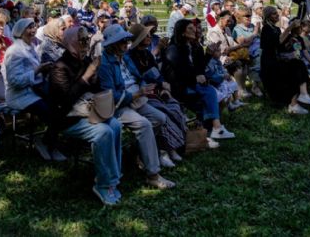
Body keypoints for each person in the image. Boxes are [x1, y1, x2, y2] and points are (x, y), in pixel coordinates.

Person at [49, 27, 123, 205]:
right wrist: (87, 75)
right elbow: (65, 102)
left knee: (115, 126)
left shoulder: (85, 60)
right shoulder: (59, 67)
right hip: (68, 118)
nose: (84, 44)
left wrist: (94, 78)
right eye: (80, 40)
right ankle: (104, 185)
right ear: (70, 42)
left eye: (86, 40)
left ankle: (113, 176)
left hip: (89, 111)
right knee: (104, 132)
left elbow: (95, 91)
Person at [98, 25, 176, 189]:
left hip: (137, 97)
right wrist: (134, 95)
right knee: (144, 124)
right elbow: (110, 96)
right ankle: (153, 174)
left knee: (159, 118)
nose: (126, 44)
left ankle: (139, 152)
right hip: (120, 105)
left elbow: (137, 76)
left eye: (127, 40)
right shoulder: (105, 64)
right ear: (112, 44)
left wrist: (144, 88)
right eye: (122, 41)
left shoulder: (124, 57)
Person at [163, 19, 235, 144]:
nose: (195, 30)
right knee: (209, 92)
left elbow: (199, 69)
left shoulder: (192, 47)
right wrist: (195, 77)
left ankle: (208, 129)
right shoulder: (173, 49)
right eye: (190, 28)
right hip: (178, 85)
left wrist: (208, 54)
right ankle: (215, 128)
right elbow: (179, 71)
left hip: (191, 83)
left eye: (194, 28)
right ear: (182, 32)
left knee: (209, 90)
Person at [2, 18, 64, 161]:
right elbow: (14, 81)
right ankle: (49, 145)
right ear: (20, 31)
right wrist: (37, 70)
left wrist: (45, 70)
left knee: (61, 106)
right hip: (19, 96)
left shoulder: (30, 48)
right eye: (28, 28)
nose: (33, 31)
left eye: (33, 27)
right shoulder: (15, 51)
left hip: (34, 91)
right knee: (49, 112)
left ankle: (47, 141)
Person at [126, 23, 186, 166]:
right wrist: (158, 85)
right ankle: (162, 150)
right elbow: (138, 76)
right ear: (138, 38)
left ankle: (172, 146)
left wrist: (163, 85)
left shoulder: (146, 53)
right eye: (146, 35)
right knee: (162, 112)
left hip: (156, 90)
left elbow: (156, 73)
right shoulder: (129, 56)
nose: (149, 36)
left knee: (175, 107)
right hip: (142, 93)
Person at [259, 6, 310, 114]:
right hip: (269, 63)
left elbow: (280, 46)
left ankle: (303, 94)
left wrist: (289, 43)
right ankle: (294, 104)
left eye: (277, 13)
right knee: (294, 69)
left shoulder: (275, 29)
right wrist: (290, 28)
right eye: (274, 14)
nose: (277, 15)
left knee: (298, 64)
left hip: (277, 59)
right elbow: (277, 42)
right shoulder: (266, 28)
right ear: (268, 16)